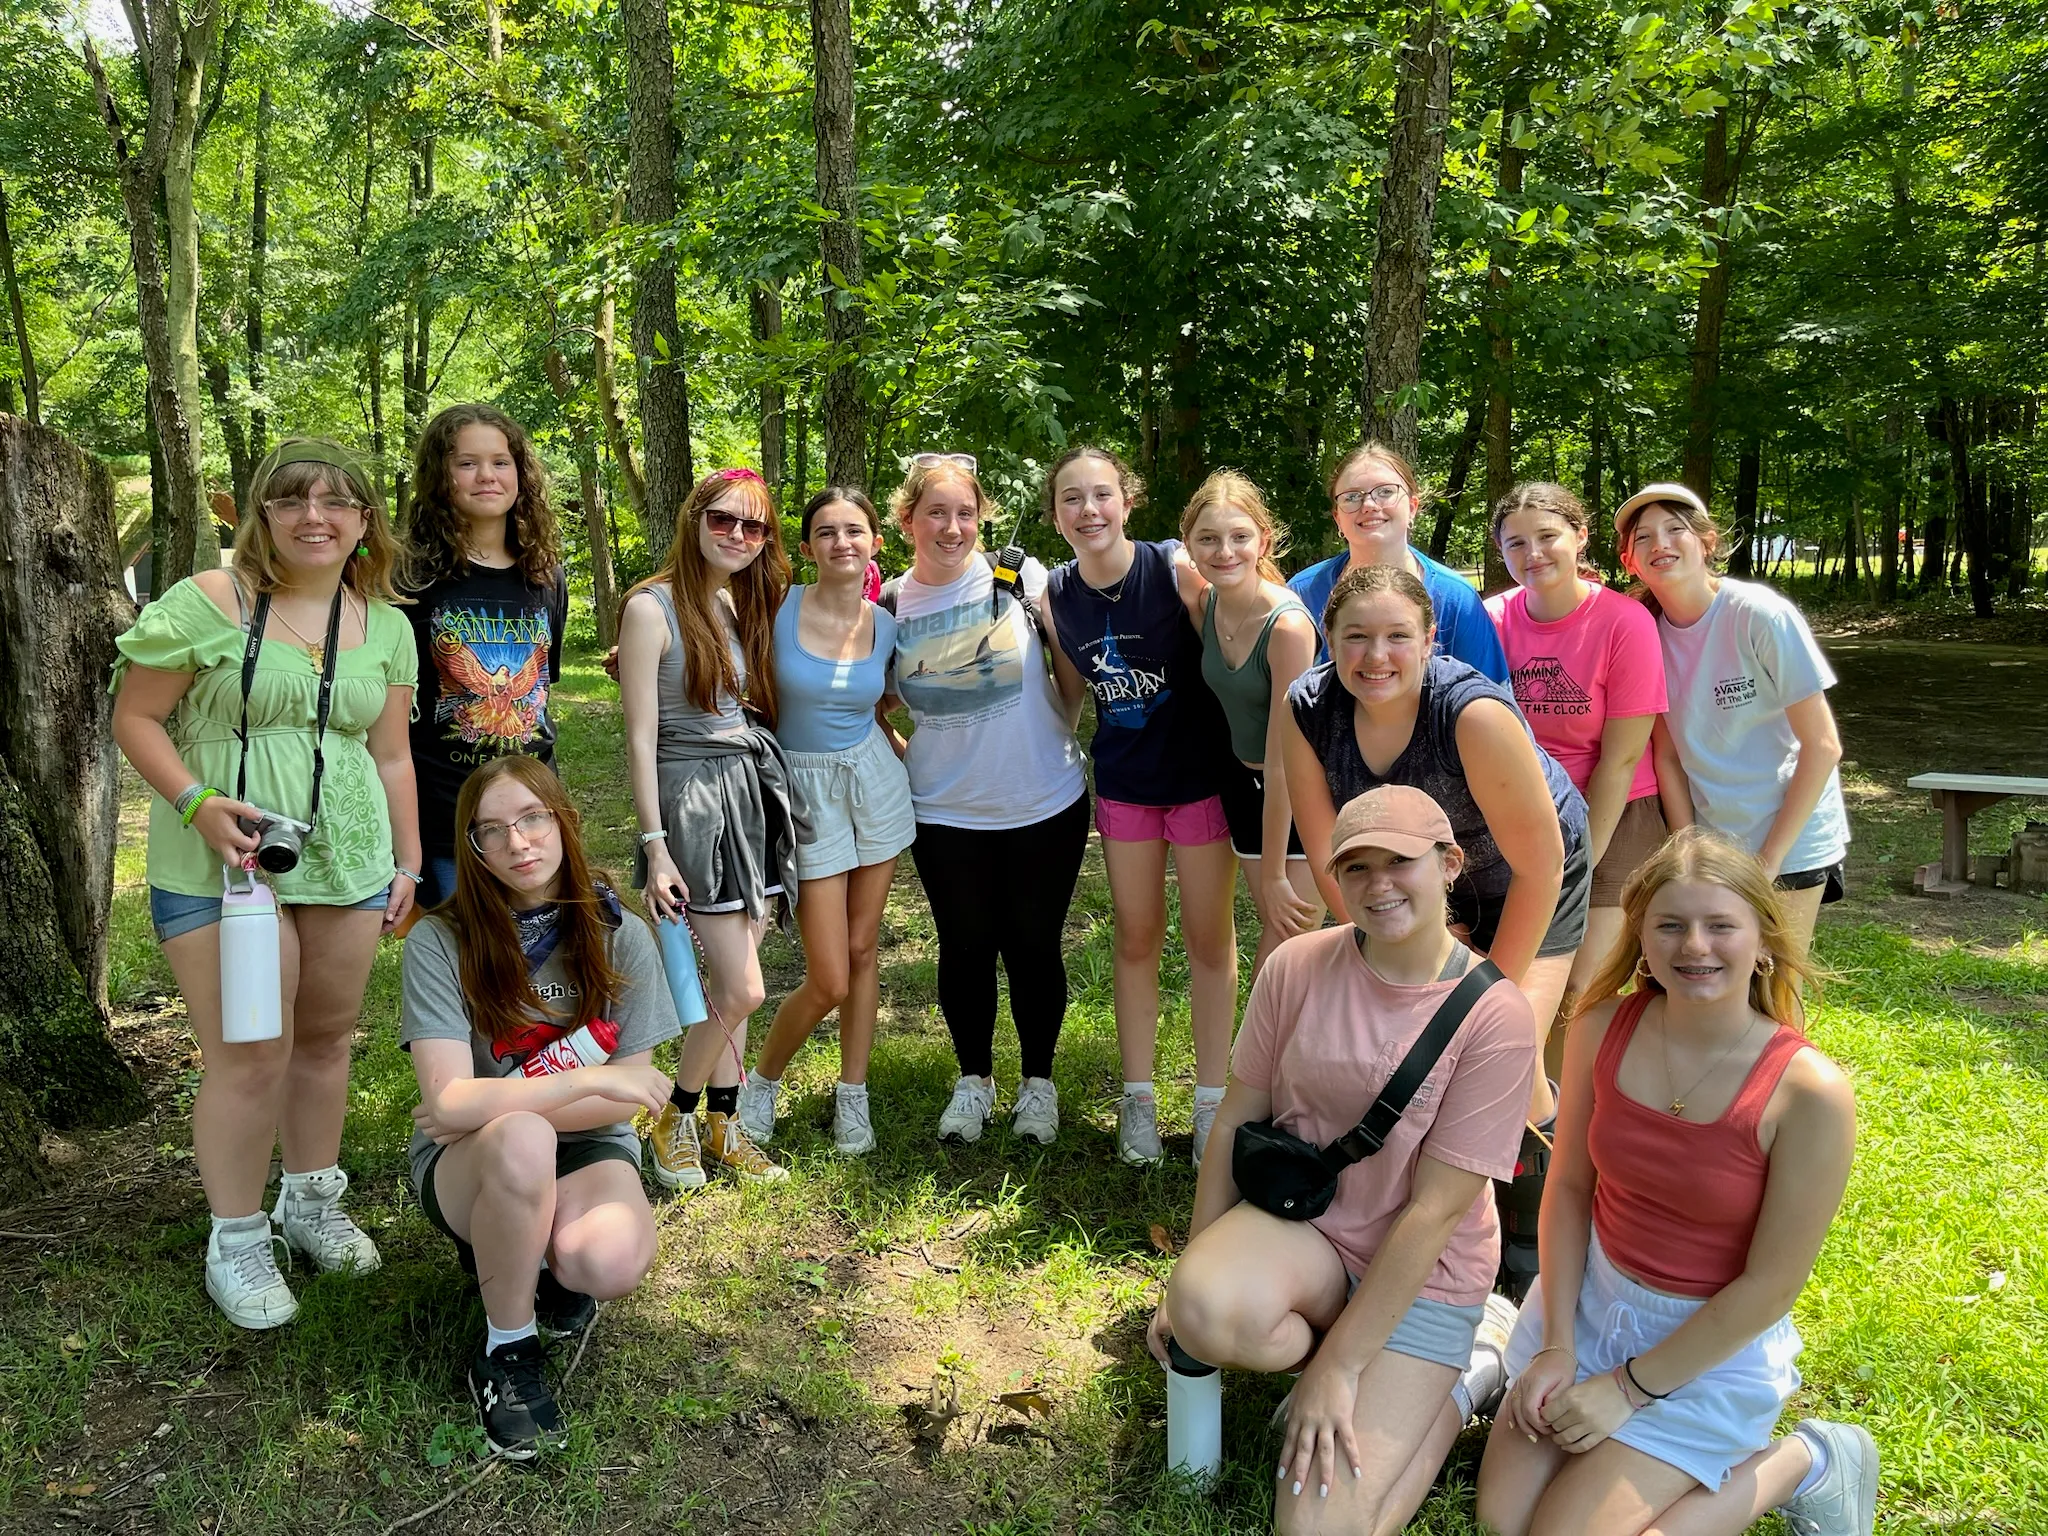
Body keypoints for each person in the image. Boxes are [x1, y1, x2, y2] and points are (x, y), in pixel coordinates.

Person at [1147, 787, 1536, 1536]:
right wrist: (1187, 1272)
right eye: (1355, 867)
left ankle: (1464, 1375)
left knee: (1318, 1528)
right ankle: (1347, 1349)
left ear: (1449, 863)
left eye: (1399, 861)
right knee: (1201, 1308)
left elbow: (1436, 1210)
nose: (1377, 884)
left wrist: (1337, 1369)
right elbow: (1236, 1115)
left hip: (1427, 1271)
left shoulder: (1496, 1016)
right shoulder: (1295, 966)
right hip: (1312, 1229)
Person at [1475, 828, 1877, 1536]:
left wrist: (1626, 1392)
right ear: (1643, 940)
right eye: (1671, 925)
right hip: (1593, 1306)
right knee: (1504, 1524)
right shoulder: (1602, 1026)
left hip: (1708, 1347)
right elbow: (1569, 1191)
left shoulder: (1808, 1092)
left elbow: (1770, 1287)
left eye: (1720, 925)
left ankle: (1807, 1460)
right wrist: (1559, 1345)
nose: (1695, 946)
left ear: (1763, 942)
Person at [110, 438, 420, 1329]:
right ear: (259, 514)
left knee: (324, 1040)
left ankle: (312, 1202)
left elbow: (391, 755)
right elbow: (136, 717)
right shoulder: (208, 602)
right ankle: (237, 1237)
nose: (313, 517)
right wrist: (198, 801)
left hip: (348, 864)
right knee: (251, 1052)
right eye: (291, 500)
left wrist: (406, 860)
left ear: (365, 522)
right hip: (221, 867)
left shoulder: (384, 624)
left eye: (336, 502)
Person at [1282, 563, 1589, 1300]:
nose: (1374, 656)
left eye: (1396, 637)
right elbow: (1332, 860)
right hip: (1404, 883)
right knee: (1409, 1052)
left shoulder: (1471, 714)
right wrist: (1400, 925)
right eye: (1355, 637)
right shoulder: (1308, 707)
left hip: (1526, 876)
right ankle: (1405, 1220)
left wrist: (1480, 999)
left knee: (1497, 1056)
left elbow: (1541, 866)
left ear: (1430, 641)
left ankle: (1535, 1238)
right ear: (1329, 640)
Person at [400, 756, 676, 1459]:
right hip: (468, 1161)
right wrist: (585, 1086)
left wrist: (487, 1104)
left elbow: (633, 1094)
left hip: (583, 1145)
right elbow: (449, 1103)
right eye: (492, 831)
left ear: (563, 822)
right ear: (473, 849)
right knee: (519, 1140)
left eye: (531, 819)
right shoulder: (441, 939)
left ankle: (528, 1248)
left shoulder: (622, 931)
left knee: (608, 1263)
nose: (517, 843)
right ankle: (507, 1350)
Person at [883, 452, 1090, 1145]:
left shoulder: (1020, 575)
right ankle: (973, 1082)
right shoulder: (888, 606)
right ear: (907, 519)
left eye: (965, 513)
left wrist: (1061, 728)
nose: (952, 527)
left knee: (1034, 946)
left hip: (1046, 800)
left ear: (982, 516)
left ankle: (1038, 1084)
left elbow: (1070, 670)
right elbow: (868, 705)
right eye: (936, 513)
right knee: (965, 947)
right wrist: (913, 760)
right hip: (944, 813)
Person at [1042, 447, 1240, 1167]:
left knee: (1209, 942)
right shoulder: (1055, 594)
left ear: (1127, 501)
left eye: (1101, 494)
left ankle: (1214, 1100)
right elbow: (1069, 696)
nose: (1088, 510)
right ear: (1055, 513)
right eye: (1071, 497)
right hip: (1125, 789)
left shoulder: (1174, 568)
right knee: (1135, 938)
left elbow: (1241, 634)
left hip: (1200, 784)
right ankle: (1139, 1099)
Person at [618, 467, 798, 1190]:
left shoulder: (742, 601)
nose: (738, 536)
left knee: (736, 975)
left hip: (746, 792)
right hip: (690, 798)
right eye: (723, 519)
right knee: (743, 987)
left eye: (754, 527)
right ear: (693, 519)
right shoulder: (650, 608)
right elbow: (638, 737)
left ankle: (724, 1123)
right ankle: (675, 1114)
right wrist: (655, 845)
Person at [737, 488, 916, 1156]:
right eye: (826, 532)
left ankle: (853, 1096)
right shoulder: (773, 607)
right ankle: (763, 1081)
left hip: (874, 785)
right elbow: (701, 632)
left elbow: (886, 703)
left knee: (865, 951)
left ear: (875, 542)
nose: (842, 542)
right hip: (802, 791)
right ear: (807, 547)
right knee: (829, 977)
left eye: (855, 531)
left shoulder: (888, 625)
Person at [1616, 483, 1848, 959]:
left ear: (1706, 541)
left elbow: (1822, 745)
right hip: (1714, 845)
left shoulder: (1759, 615)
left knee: (1775, 985)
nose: (1659, 543)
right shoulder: (1642, 635)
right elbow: (1668, 758)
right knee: (1715, 982)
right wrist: (1689, 854)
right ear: (1629, 561)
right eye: (1643, 537)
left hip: (1791, 841)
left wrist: (1768, 862)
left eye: (1674, 529)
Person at [1487, 482, 1673, 1048]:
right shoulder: (1492, 618)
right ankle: (1530, 1119)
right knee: (1511, 982)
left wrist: (1580, 860)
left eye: (1548, 536)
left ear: (1581, 536)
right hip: (1517, 807)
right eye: (1516, 543)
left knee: (1582, 989)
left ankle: (1584, 1121)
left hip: (1614, 813)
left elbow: (1620, 760)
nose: (1533, 554)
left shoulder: (1624, 623)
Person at [399, 403, 569, 909]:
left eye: (500, 462)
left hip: (536, 811)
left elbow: (542, 687)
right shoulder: (408, 578)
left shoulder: (545, 575)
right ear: (440, 476)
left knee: (548, 963)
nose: (486, 476)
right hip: (447, 814)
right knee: (473, 968)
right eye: (466, 463)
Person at [1182, 469, 1324, 977]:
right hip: (1242, 786)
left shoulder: (1287, 627)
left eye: (1240, 537)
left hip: (1301, 791)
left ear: (1263, 539)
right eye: (1209, 539)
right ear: (1190, 546)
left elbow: (1287, 757)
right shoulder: (1207, 599)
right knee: (1281, 947)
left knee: (1286, 953)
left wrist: (1272, 876)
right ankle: (1279, 1056)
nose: (1225, 551)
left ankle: (1261, 1059)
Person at [1289, 442, 1509, 680]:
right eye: (1352, 497)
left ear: (1412, 507)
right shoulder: (1302, 594)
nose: (1369, 505)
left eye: (1385, 492)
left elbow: (1493, 697)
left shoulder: (1456, 599)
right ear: (1337, 518)